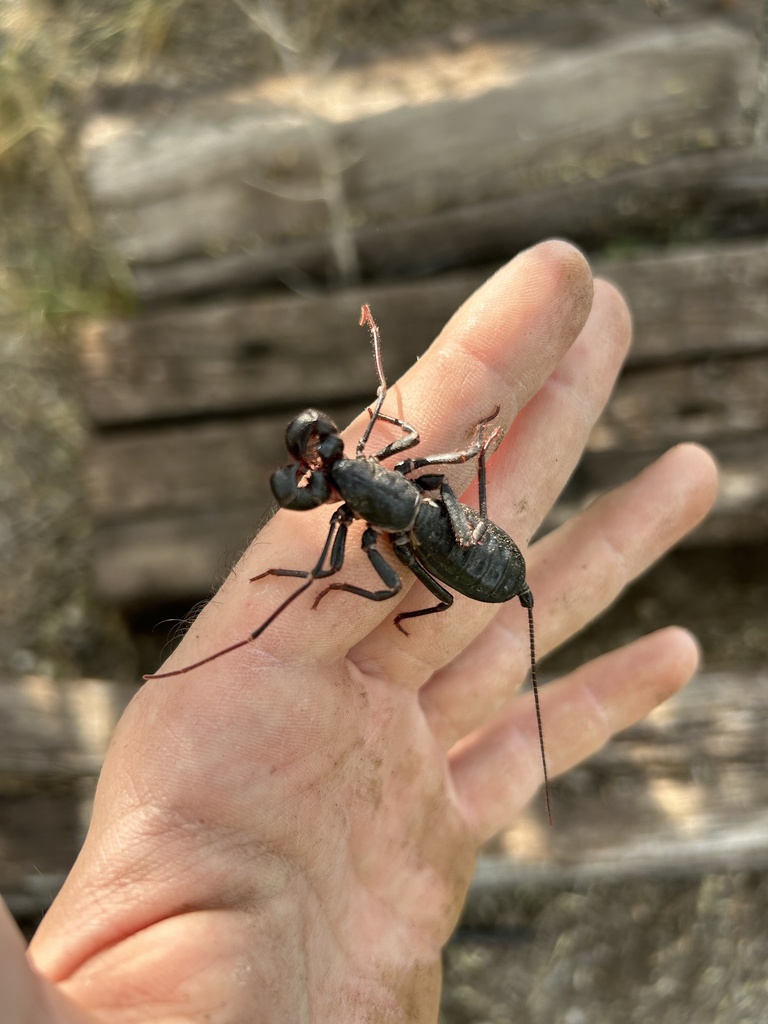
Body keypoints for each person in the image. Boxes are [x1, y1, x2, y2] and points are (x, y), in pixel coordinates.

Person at [2, 241, 718, 1023]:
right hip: (440, 524)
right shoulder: (383, 466)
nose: (326, 465)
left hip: (459, 545)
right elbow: (393, 433)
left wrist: (347, 565)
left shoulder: (364, 502)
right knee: (402, 569)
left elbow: (362, 554)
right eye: (325, 466)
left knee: (383, 578)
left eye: (326, 466)